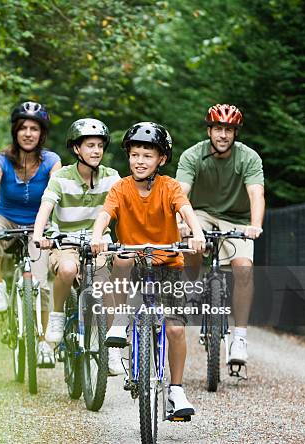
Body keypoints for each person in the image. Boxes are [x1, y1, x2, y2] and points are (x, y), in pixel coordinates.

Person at [91, 121, 206, 418]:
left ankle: (176, 390)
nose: (139, 161)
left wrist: (196, 233)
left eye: (147, 155)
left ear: (161, 159)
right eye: (134, 154)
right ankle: (118, 323)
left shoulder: (170, 187)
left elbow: (186, 210)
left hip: (168, 264)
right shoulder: (121, 188)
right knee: (123, 258)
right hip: (134, 263)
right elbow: (105, 215)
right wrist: (96, 236)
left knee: (176, 328)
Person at [175, 104, 265, 367]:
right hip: (200, 213)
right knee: (191, 246)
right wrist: (182, 221)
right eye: (218, 129)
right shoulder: (193, 155)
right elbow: (181, 192)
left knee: (244, 269)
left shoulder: (248, 158)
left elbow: (256, 194)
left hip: (236, 218)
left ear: (235, 133)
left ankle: (239, 337)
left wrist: (255, 225)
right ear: (209, 130)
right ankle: (191, 289)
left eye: (228, 129)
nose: (223, 135)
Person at [32, 118, 122, 374]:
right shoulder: (61, 178)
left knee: (105, 286)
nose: (96, 151)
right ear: (76, 149)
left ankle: (112, 350)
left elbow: (126, 206)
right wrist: (40, 235)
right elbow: (45, 209)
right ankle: (58, 317)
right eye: (90, 145)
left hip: (98, 243)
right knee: (68, 270)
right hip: (65, 242)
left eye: (100, 146)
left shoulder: (111, 177)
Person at [0, 101, 61, 367]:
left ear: (41, 133)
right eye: (23, 127)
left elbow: (58, 195)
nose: (28, 133)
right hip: (8, 219)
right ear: (15, 131)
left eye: (34, 128)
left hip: (39, 224)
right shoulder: (1, 159)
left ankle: (43, 342)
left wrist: (54, 229)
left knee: (41, 285)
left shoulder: (51, 161)